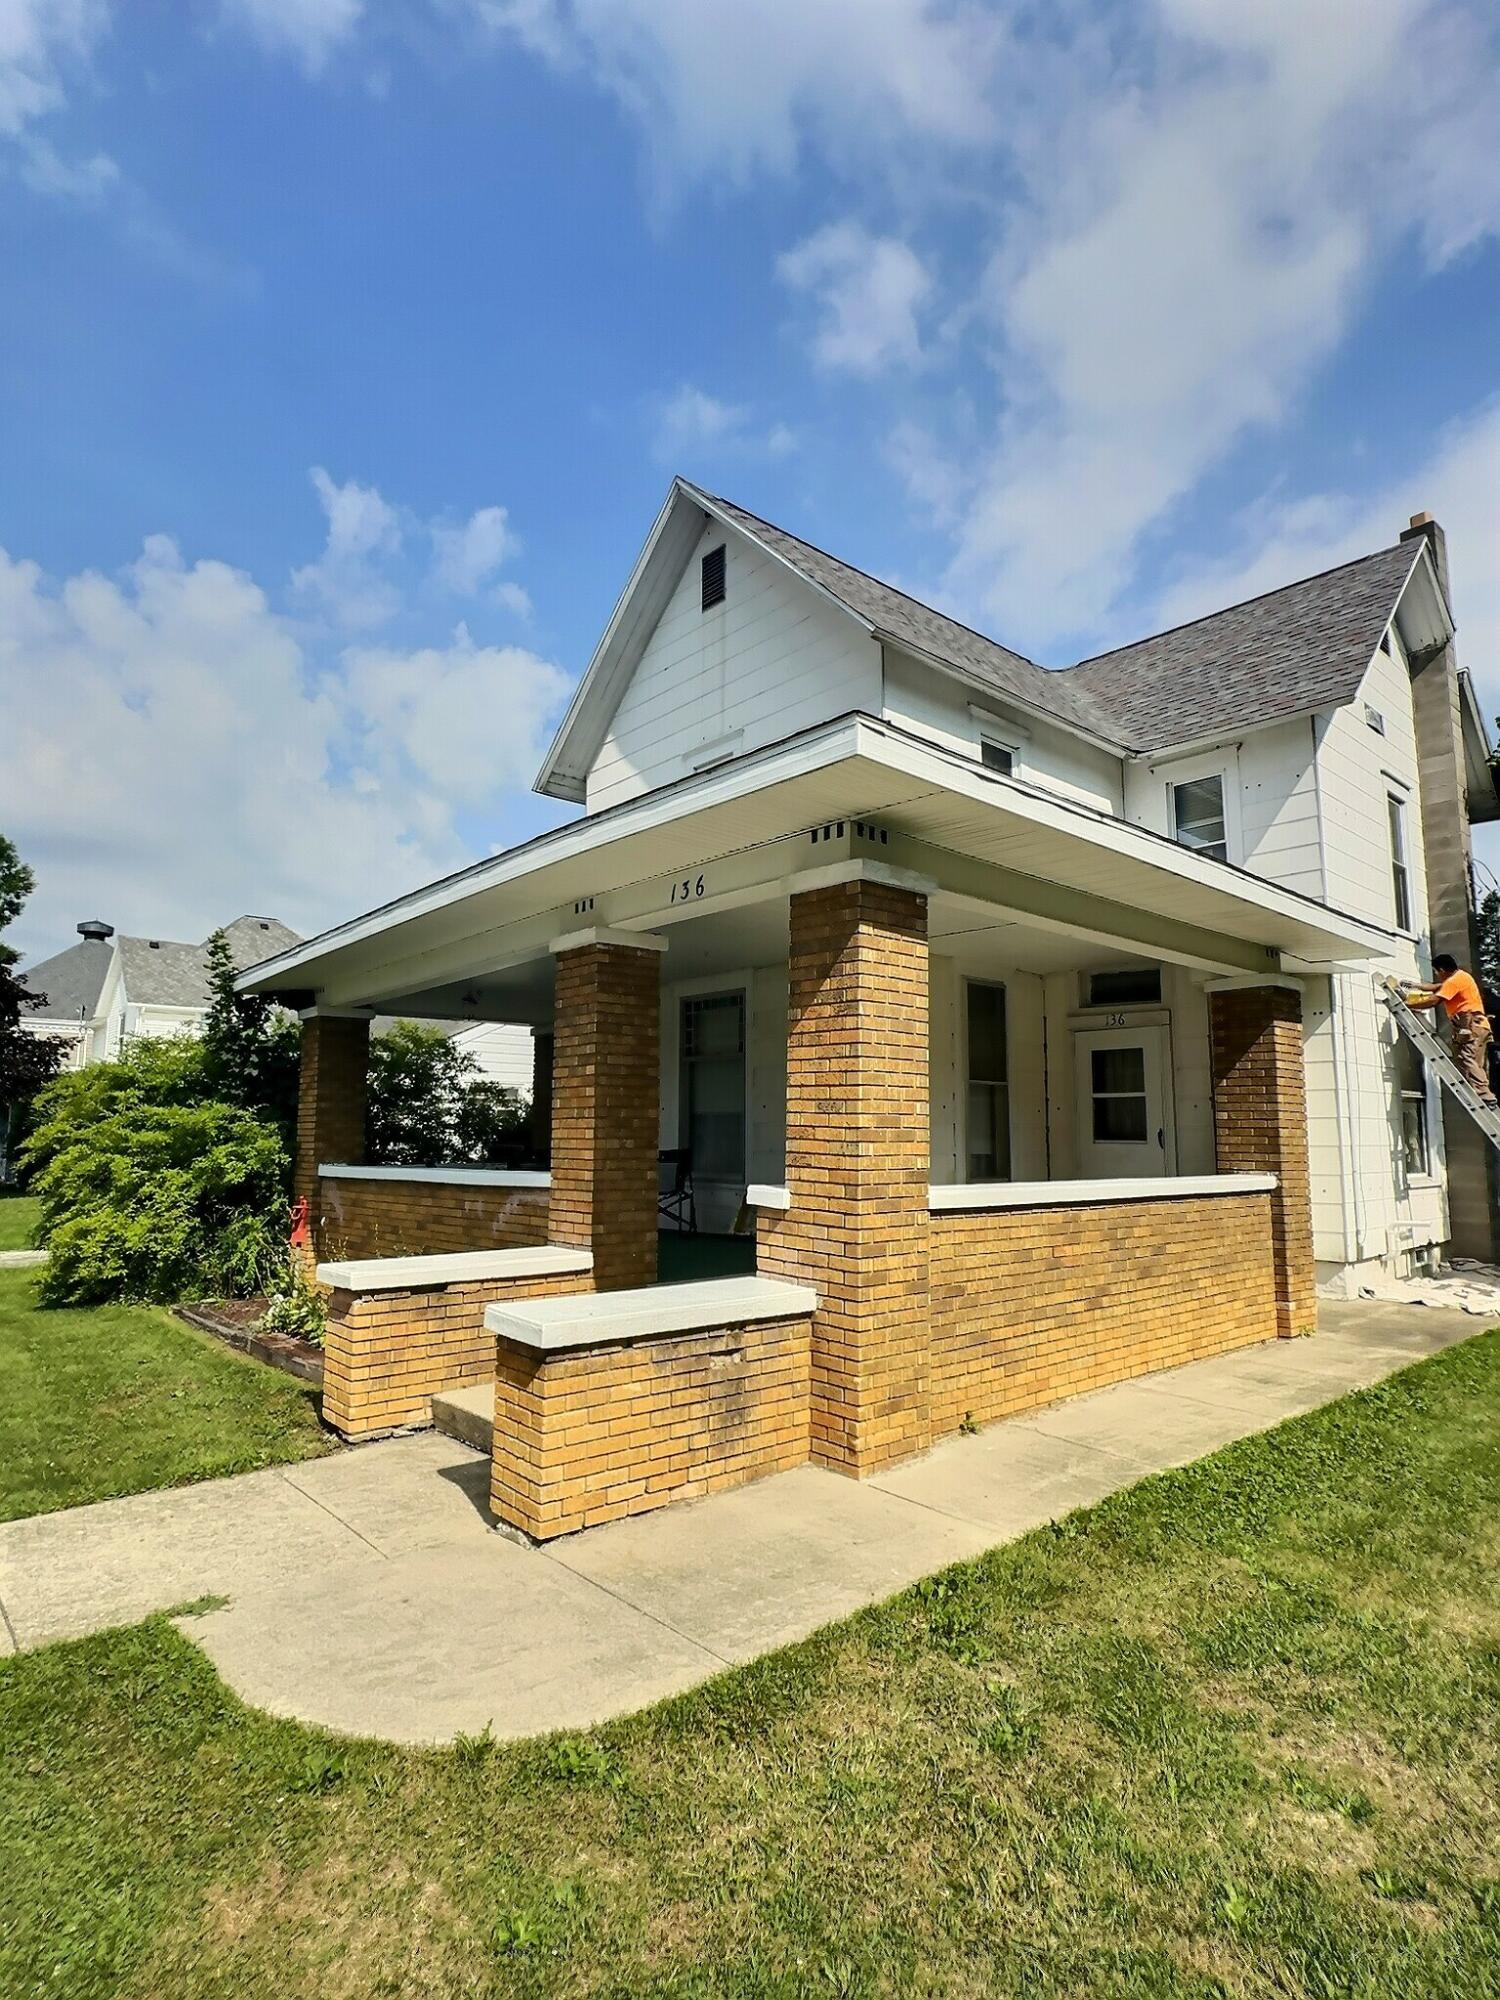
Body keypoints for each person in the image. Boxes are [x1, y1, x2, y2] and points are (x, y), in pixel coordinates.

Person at [1405, 954, 1498, 1105]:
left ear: (1441, 969)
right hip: (1481, 1025)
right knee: (1476, 1062)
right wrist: (1416, 986)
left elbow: (1435, 1000)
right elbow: (1436, 987)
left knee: (1465, 1057)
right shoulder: (1462, 976)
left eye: (1436, 971)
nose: (1437, 975)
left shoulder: (1454, 981)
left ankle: (1484, 1094)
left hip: (1469, 1024)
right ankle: (1486, 1094)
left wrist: (1408, 1005)